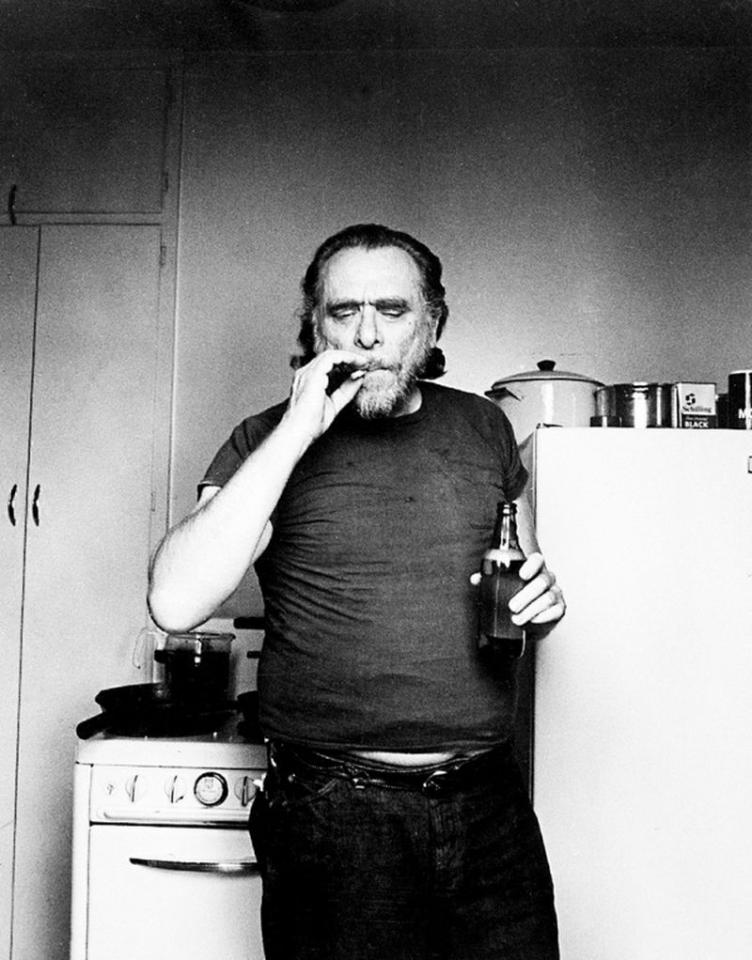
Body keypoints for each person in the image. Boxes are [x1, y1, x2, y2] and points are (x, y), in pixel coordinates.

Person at [148, 223, 566, 960]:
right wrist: (298, 430)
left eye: (392, 311)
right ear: (316, 327)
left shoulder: (485, 427)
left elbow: (522, 584)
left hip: (488, 804)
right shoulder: (262, 440)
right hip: (334, 813)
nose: (368, 335)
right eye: (344, 312)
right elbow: (175, 603)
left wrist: (546, 603)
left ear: (431, 323)